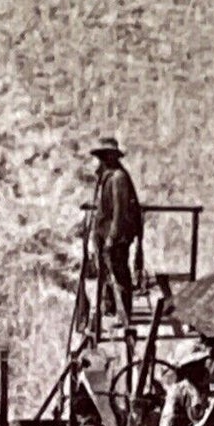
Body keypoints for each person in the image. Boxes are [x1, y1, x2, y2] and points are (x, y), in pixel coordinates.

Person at [89, 137, 143, 326]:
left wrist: (113, 236)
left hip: (117, 236)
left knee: (119, 272)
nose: (104, 160)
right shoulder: (107, 177)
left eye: (106, 156)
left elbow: (120, 211)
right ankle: (111, 308)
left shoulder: (118, 177)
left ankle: (124, 313)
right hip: (106, 234)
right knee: (108, 272)